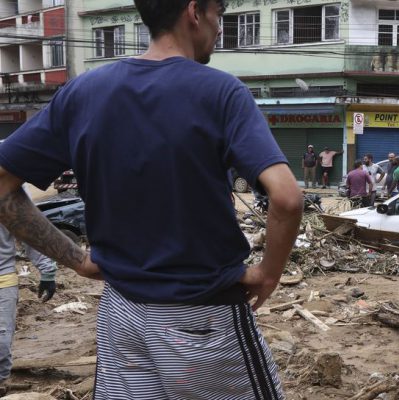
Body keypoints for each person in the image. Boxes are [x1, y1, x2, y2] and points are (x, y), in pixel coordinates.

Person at [0, 0, 305, 397]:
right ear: (194, 12)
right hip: (203, 321)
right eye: (219, 16)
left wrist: (77, 260)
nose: (220, 29)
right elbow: (287, 198)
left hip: (120, 318)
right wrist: (268, 273)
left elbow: (3, 184)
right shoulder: (221, 91)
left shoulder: (84, 92)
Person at [0, 222, 57, 388]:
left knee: (1, 343)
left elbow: (29, 233)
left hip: (3, 280)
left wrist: (47, 272)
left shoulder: (7, 197)